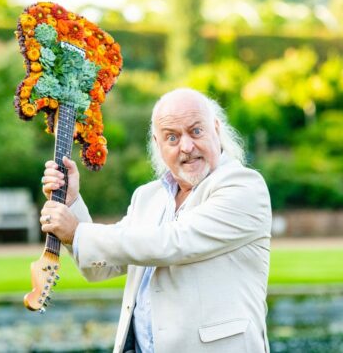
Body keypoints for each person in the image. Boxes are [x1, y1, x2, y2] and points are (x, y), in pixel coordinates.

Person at [40, 88, 272, 353]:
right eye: (172, 137)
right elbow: (100, 267)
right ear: (158, 144)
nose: (186, 146)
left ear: (216, 130)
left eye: (196, 131)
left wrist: (77, 232)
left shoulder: (244, 186)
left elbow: (174, 242)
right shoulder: (147, 197)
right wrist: (72, 203)